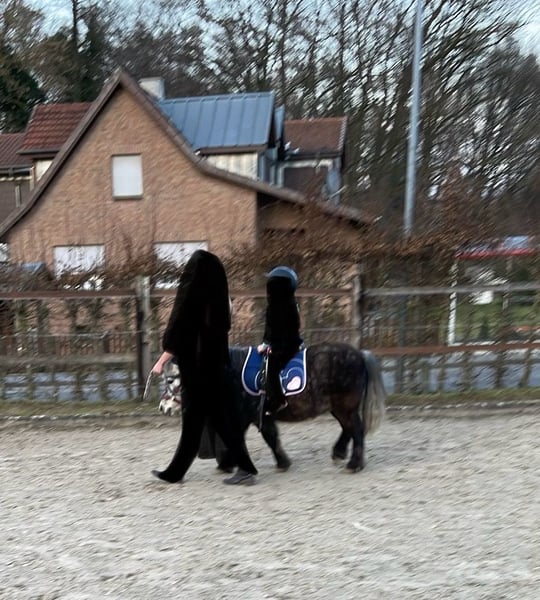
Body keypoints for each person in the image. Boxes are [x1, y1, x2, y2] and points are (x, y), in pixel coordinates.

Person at [151, 249, 258, 486]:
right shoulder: (219, 304)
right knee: (202, 422)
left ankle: (245, 469)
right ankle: (177, 471)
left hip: (197, 370)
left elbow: (179, 330)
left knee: (208, 422)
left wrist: (161, 360)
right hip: (216, 368)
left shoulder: (192, 301)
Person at [257, 266, 303, 415]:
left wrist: (268, 345)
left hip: (285, 346)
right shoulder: (289, 303)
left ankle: (278, 400)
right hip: (289, 343)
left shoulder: (279, 307)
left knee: (271, 367)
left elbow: (277, 330)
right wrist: (266, 342)